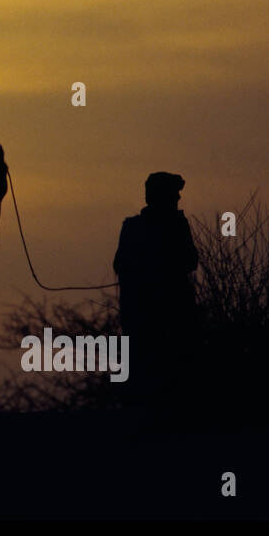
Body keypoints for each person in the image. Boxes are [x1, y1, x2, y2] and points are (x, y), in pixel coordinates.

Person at [112, 172, 199, 409]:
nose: (179, 197)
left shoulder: (136, 226)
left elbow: (190, 260)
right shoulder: (166, 226)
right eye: (174, 192)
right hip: (154, 316)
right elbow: (190, 260)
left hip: (158, 315)